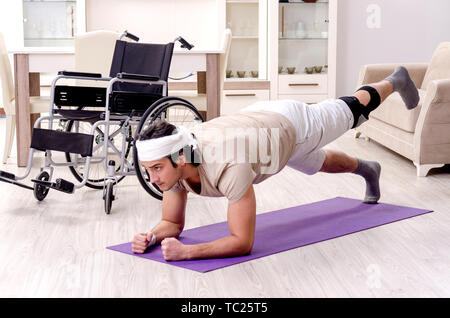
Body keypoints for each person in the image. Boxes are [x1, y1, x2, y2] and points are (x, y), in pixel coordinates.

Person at [131, 66, 419, 261]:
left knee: (354, 109)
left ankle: (395, 80)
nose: (153, 178)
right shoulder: (177, 163)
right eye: (149, 169)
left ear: (179, 158)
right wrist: (152, 236)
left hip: (292, 124)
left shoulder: (231, 166)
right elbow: (171, 222)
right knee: (315, 163)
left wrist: (188, 252)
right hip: (260, 131)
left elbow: (242, 242)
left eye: (156, 168)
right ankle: (368, 169)